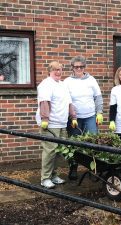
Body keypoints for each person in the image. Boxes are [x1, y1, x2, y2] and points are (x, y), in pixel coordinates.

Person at [36, 61, 77, 189]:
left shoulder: (63, 85)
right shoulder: (46, 84)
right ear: (50, 71)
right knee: (50, 151)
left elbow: (69, 102)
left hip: (62, 123)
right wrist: (45, 119)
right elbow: (44, 102)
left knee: (59, 151)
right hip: (50, 123)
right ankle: (45, 178)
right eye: (55, 70)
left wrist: (73, 117)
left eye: (60, 70)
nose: (58, 72)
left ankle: (53, 175)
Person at [64, 55, 103, 180]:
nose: (79, 69)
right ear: (72, 68)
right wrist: (72, 116)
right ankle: (73, 168)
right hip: (75, 118)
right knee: (74, 144)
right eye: (76, 67)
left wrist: (99, 112)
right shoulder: (67, 82)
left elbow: (98, 97)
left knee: (93, 143)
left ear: (84, 67)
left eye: (81, 66)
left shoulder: (91, 80)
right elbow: (66, 100)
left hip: (90, 116)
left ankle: (94, 170)